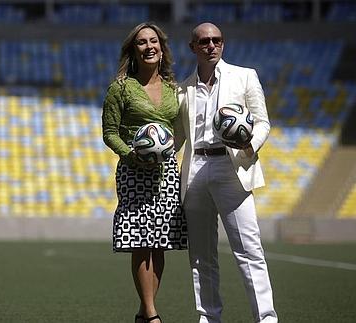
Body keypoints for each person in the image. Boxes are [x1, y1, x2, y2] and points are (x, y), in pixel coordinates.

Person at [174, 22, 278, 323]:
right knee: (201, 256)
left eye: (217, 40)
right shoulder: (183, 89)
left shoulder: (245, 77)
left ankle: (267, 319)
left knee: (249, 248)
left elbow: (262, 123)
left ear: (223, 44)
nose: (211, 45)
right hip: (195, 170)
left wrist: (248, 145)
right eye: (204, 41)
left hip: (232, 167)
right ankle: (209, 318)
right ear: (193, 47)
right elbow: (179, 137)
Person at [102, 22, 188, 323]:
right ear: (133, 50)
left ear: (162, 49)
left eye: (154, 41)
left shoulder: (174, 90)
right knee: (140, 241)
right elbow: (110, 133)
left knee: (159, 242)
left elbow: (179, 133)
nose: (149, 46)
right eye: (142, 42)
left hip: (165, 174)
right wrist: (132, 155)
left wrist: (167, 153)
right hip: (133, 173)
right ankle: (152, 314)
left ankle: (143, 311)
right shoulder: (120, 89)